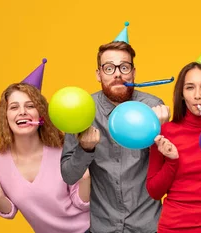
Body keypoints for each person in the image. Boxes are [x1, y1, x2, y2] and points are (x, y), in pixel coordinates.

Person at [60, 40, 170, 233]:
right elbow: (68, 176)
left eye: (124, 67)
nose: (118, 74)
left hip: (148, 226)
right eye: (109, 68)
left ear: (134, 73)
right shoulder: (83, 112)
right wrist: (85, 150)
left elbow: (171, 171)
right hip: (103, 226)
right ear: (98, 74)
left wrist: (160, 133)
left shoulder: (153, 108)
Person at [0, 83, 91, 233]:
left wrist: (85, 179)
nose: (22, 112)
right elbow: (9, 211)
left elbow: (81, 204)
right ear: (5, 116)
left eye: (30, 106)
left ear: (40, 114)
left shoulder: (63, 149)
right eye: (14, 107)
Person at [146, 62, 201, 233]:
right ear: (182, 95)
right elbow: (154, 191)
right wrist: (171, 161)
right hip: (174, 227)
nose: (198, 95)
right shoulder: (164, 132)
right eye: (190, 88)